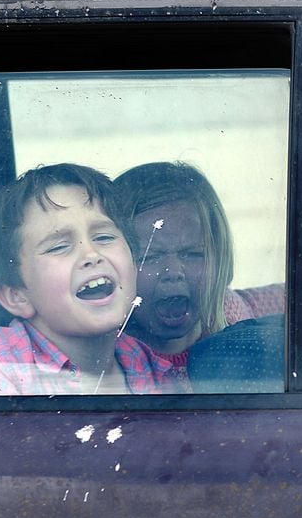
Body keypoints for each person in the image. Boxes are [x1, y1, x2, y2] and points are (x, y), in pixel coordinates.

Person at [0, 163, 180, 395]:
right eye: (59, 247)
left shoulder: (150, 368)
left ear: (134, 263)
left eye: (104, 237)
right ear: (16, 295)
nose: (91, 255)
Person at [111, 162, 285, 379]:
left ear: (220, 260)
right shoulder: (107, 359)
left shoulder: (239, 314)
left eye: (192, 254)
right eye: (150, 257)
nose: (173, 271)